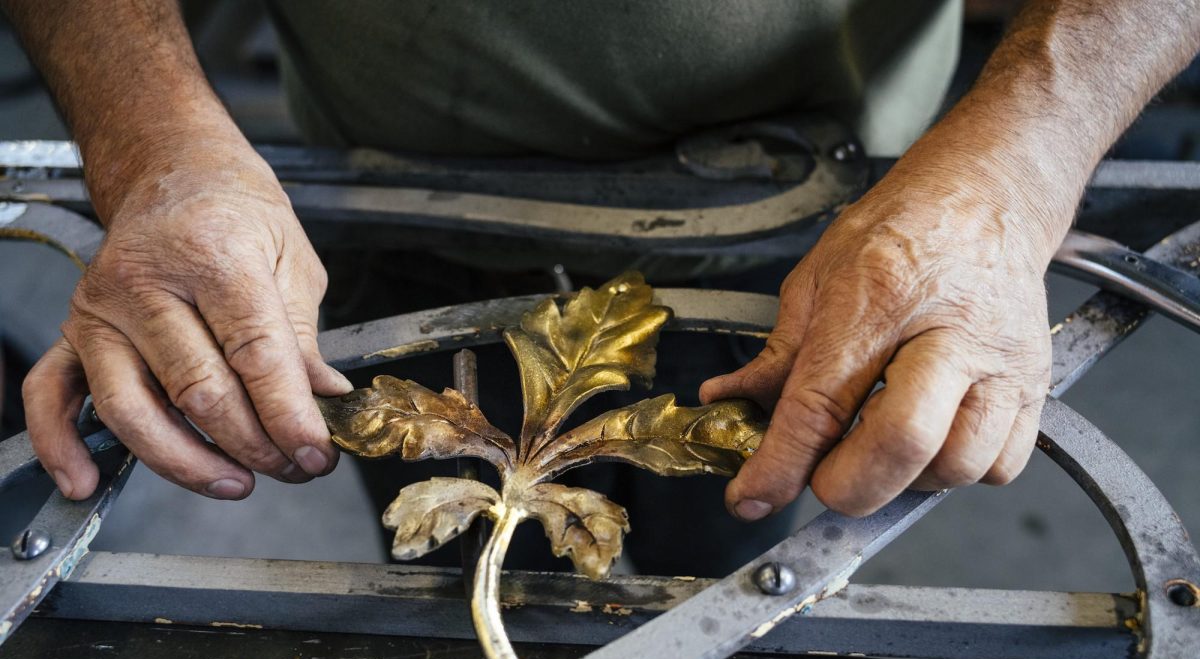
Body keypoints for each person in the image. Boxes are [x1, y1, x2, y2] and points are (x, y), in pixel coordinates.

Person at [4, 1, 1198, 536]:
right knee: (477, 575)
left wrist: (1021, 163)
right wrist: (151, 147)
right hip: (368, 209)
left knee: (744, 554)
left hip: (841, 240)